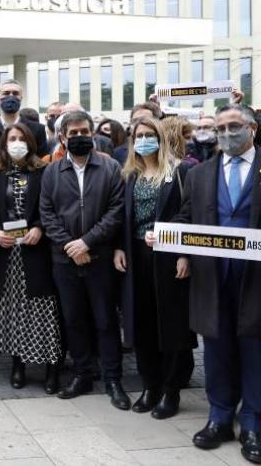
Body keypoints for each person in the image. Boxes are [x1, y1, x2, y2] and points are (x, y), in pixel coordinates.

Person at [174, 104, 261, 463]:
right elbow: (185, 215)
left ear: (252, 128)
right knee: (216, 346)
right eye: (221, 127)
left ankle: (253, 423)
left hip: (255, 278)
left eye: (234, 126)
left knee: (255, 348)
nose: (226, 133)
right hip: (212, 275)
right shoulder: (200, 173)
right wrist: (175, 244)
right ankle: (219, 417)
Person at [40, 110, 129, 410]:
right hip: (64, 260)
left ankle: (113, 378)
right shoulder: (51, 171)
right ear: (62, 138)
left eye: (84, 132)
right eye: (73, 133)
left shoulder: (110, 167)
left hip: (99, 257)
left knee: (104, 320)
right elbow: (47, 214)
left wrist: (87, 242)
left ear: (92, 134)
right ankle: (82, 375)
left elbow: (116, 211)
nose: (79, 137)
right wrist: (70, 246)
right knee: (74, 319)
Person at [113, 117, 196, 420]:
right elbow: (123, 216)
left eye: (150, 135)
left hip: (169, 256)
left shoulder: (180, 171)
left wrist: (185, 254)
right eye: (139, 135)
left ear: (160, 139)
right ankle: (150, 386)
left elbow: (190, 213)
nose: (144, 140)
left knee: (172, 324)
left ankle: (171, 390)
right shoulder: (130, 174)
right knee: (142, 322)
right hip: (136, 257)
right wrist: (120, 247)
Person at [0, 124, 63, 394]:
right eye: (11, 139)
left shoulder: (44, 171)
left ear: (30, 143)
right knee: (15, 311)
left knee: (43, 312)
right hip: (7, 255)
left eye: (21, 139)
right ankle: (18, 365)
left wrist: (40, 227)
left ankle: (52, 367)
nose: (16, 143)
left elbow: (52, 207)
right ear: (4, 144)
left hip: (36, 253)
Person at [0, 80, 49, 165]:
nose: (11, 97)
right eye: (6, 93)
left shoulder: (37, 129)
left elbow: (42, 162)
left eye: (15, 93)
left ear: (21, 97)